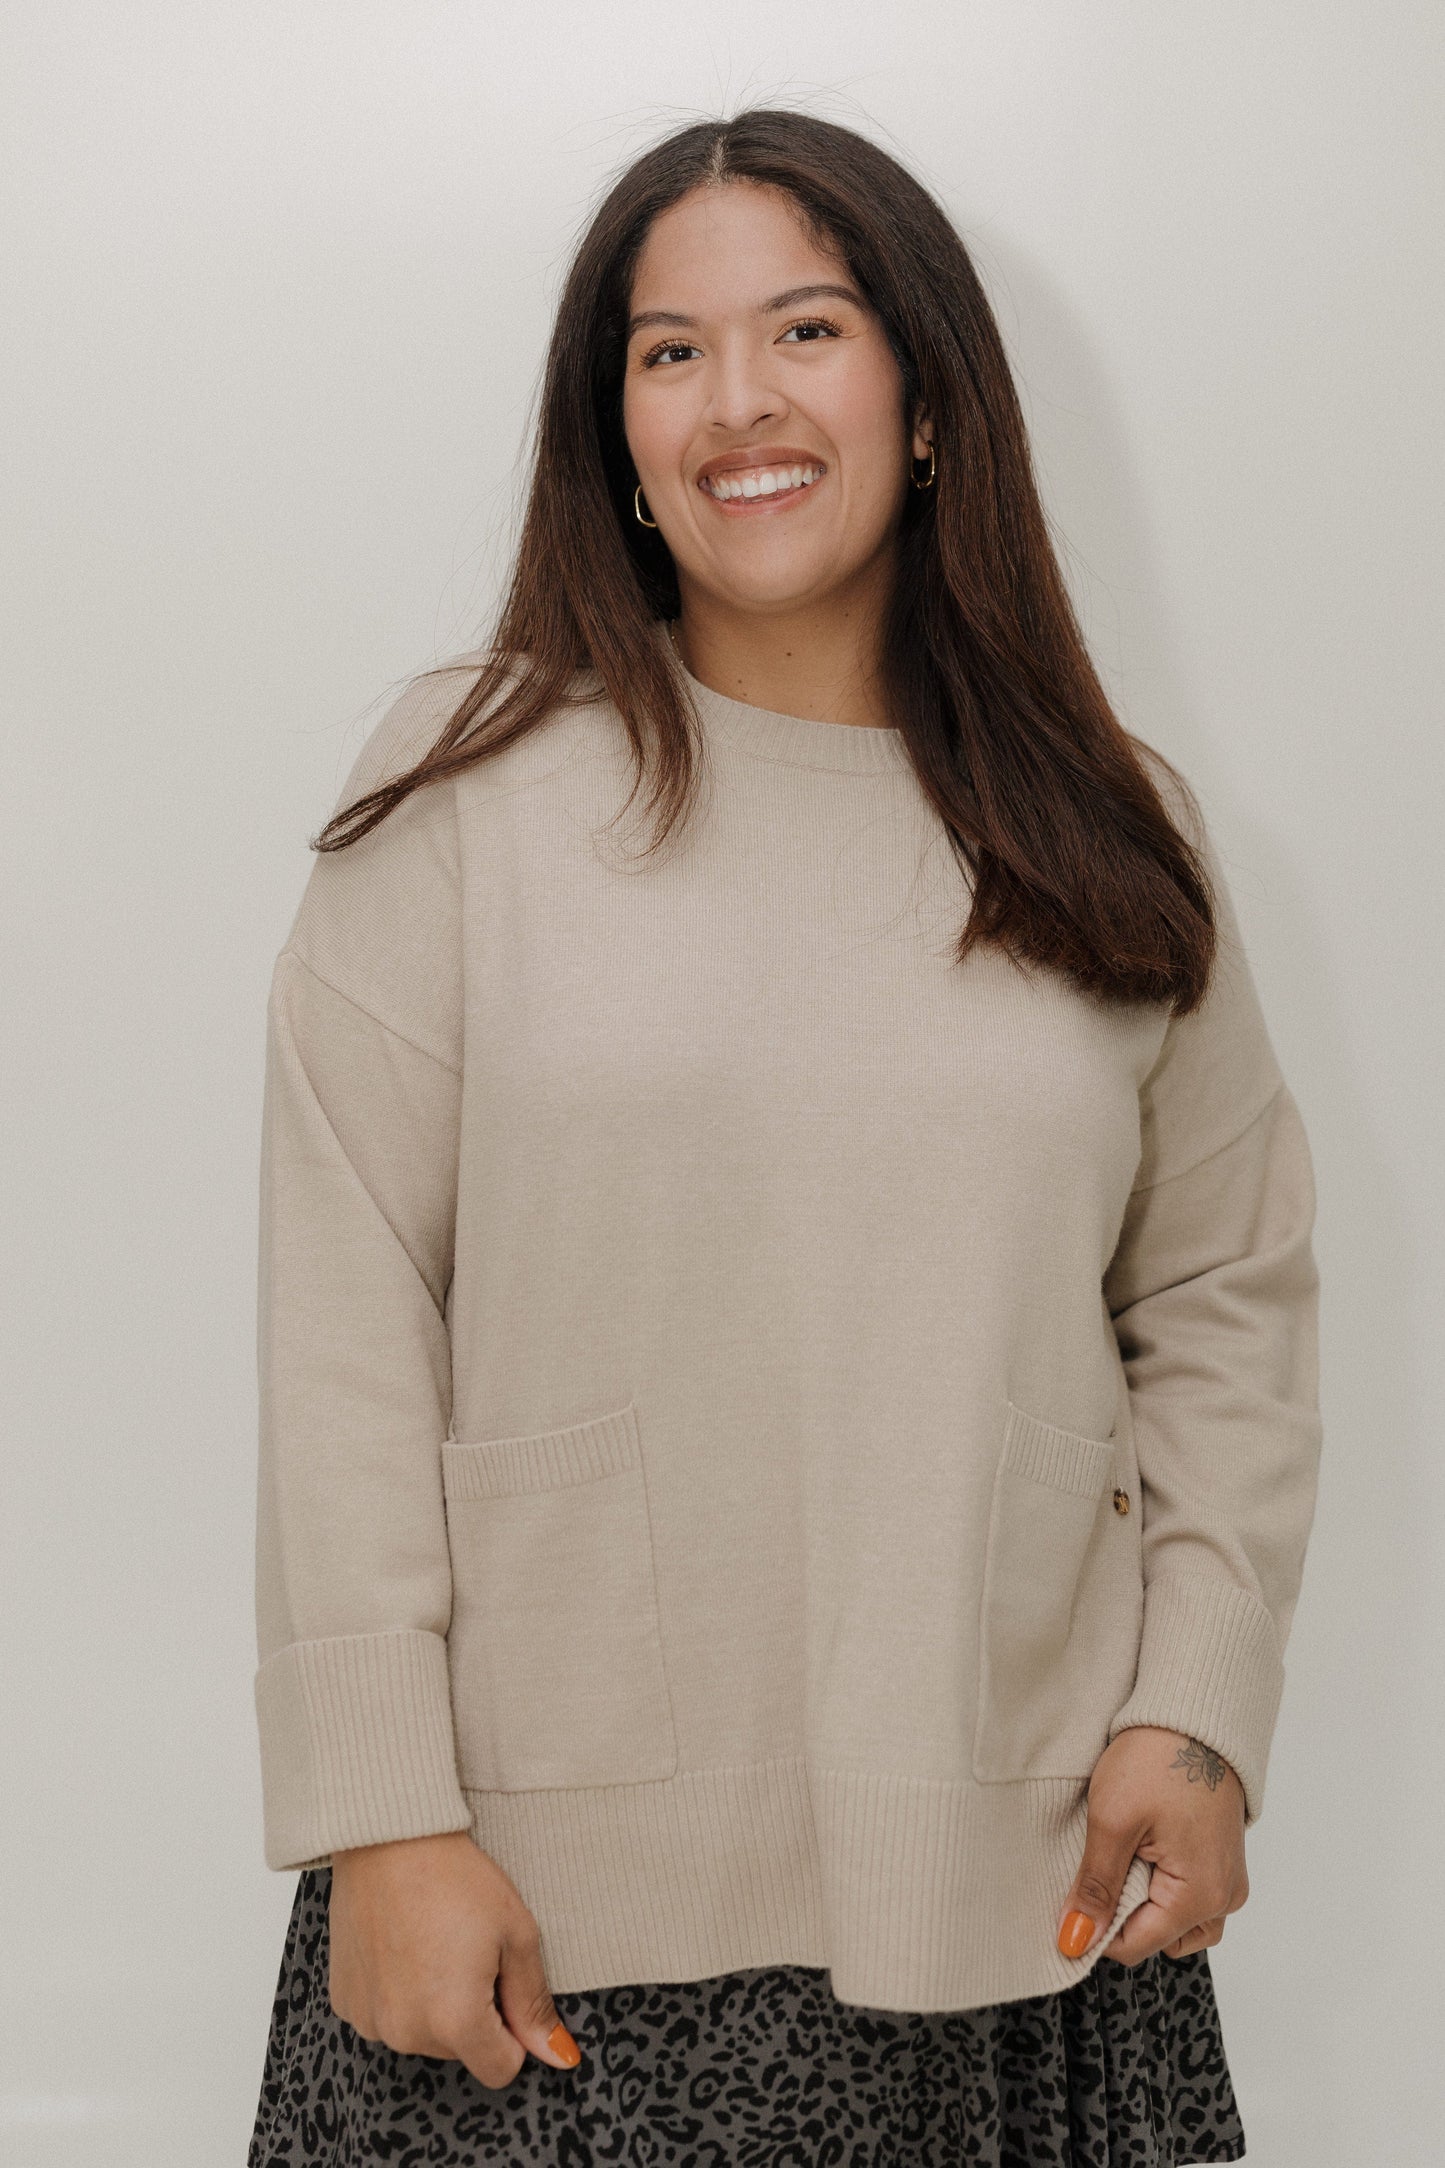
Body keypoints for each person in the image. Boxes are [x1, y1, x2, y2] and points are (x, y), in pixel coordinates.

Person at [248, 107, 1321, 2167]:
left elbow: (1223, 1300)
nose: (736, 399)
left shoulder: (1113, 835)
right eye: (668, 351)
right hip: (538, 1918)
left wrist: (1197, 1717)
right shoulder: (467, 795)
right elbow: (345, 1315)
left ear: (927, 398)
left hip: (1015, 1903)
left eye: (806, 329)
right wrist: (383, 1814)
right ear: (618, 431)